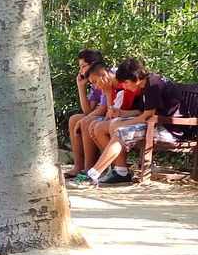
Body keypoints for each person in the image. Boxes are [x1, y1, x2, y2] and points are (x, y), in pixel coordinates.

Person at [72, 58, 191, 187]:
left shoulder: (153, 84)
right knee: (115, 127)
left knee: (121, 132)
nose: (125, 86)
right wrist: (121, 114)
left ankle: (93, 174)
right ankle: (119, 171)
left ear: (136, 78)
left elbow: (147, 116)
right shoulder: (145, 84)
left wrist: (122, 124)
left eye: (126, 83)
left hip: (171, 130)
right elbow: (140, 112)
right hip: (156, 124)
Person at [66, 48, 106, 178]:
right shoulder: (94, 84)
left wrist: (85, 119)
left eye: (83, 66)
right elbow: (88, 110)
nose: (81, 71)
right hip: (100, 115)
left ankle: (89, 167)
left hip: (111, 115)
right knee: (74, 119)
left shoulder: (105, 77)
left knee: (86, 121)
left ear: (93, 64)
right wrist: (81, 87)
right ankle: (79, 166)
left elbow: (104, 108)